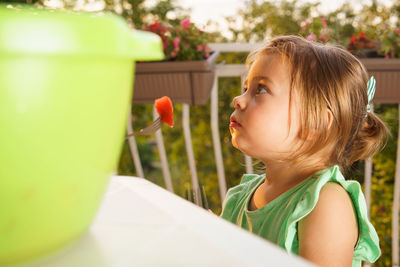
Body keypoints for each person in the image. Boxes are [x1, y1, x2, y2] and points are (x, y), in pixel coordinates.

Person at [220, 35, 389, 267]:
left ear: (315, 124)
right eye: (246, 88)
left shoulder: (326, 204)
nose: (238, 100)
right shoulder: (241, 197)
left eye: (261, 89)